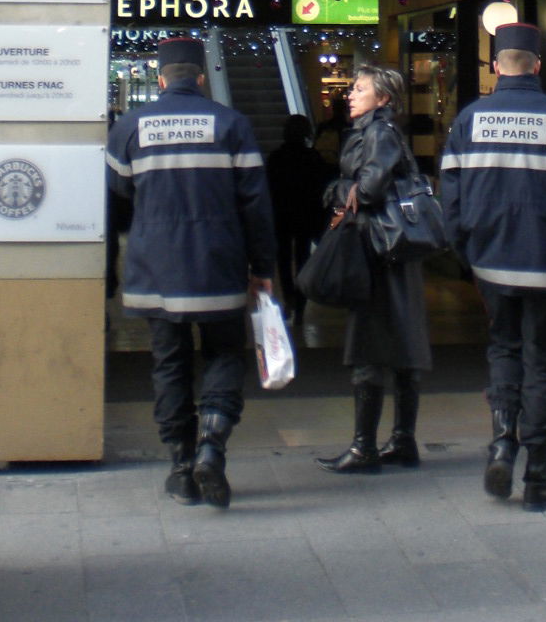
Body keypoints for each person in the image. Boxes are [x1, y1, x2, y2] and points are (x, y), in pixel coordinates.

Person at [440, 22, 546, 510]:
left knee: (504, 351)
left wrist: (465, 256)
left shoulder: (469, 120)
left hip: (492, 263)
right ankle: (538, 472)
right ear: (537, 65)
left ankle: (500, 444)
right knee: (544, 361)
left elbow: (449, 201)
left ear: (495, 67)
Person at [106, 35, 276, 510]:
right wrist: (262, 267)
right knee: (224, 355)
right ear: (201, 78)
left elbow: (117, 197)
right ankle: (211, 446)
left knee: (169, 364)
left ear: (160, 78)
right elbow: (256, 206)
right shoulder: (232, 125)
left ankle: (181, 468)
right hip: (218, 265)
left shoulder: (130, 128)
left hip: (155, 267)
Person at [316, 66, 432, 474]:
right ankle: (402, 440)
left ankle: (364, 447)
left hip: (378, 251)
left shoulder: (378, 133)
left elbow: (367, 190)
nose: (351, 95)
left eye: (360, 89)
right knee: (403, 344)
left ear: (383, 99)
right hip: (393, 252)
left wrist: (335, 190)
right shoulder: (380, 131)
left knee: (369, 344)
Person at [266, 113, 330, 324]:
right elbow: (322, 187)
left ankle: (288, 298)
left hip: (281, 216)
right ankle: (301, 304)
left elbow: (268, 188)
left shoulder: (276, 158)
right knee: (302, 258)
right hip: (305, 216)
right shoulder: (313, 158)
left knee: (283, 260)